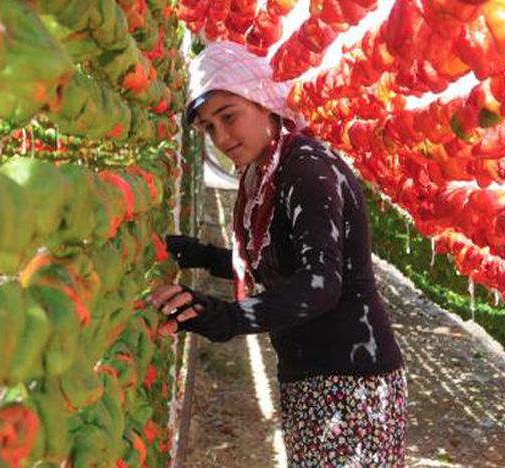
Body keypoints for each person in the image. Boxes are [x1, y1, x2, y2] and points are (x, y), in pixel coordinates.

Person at [149, 41, 407, 467]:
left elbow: (320, 284)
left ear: (263, 101)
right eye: (209, 128)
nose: (222, 137)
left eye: (229, 116)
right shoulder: (265, 172)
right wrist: (200, 255)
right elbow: (274, 261)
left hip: (351, 379)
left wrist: (227, 317)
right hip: (311, 374)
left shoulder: (307, 168)